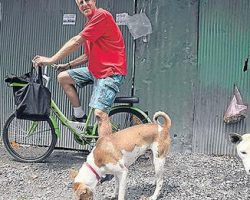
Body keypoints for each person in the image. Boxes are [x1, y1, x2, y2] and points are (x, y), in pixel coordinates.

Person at [32, 0, 127, 137]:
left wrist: (51, 59)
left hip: (110, 72)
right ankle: (79, 115)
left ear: (94, 1)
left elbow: (76, 41)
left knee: (100, 113)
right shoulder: (90, 23)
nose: (84, 4)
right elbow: (88, 55)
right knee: (63, 77)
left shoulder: (102, 16)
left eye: (87, 0)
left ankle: (106, 156)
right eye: (80, 2)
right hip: (96, 70)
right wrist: (68, 65)